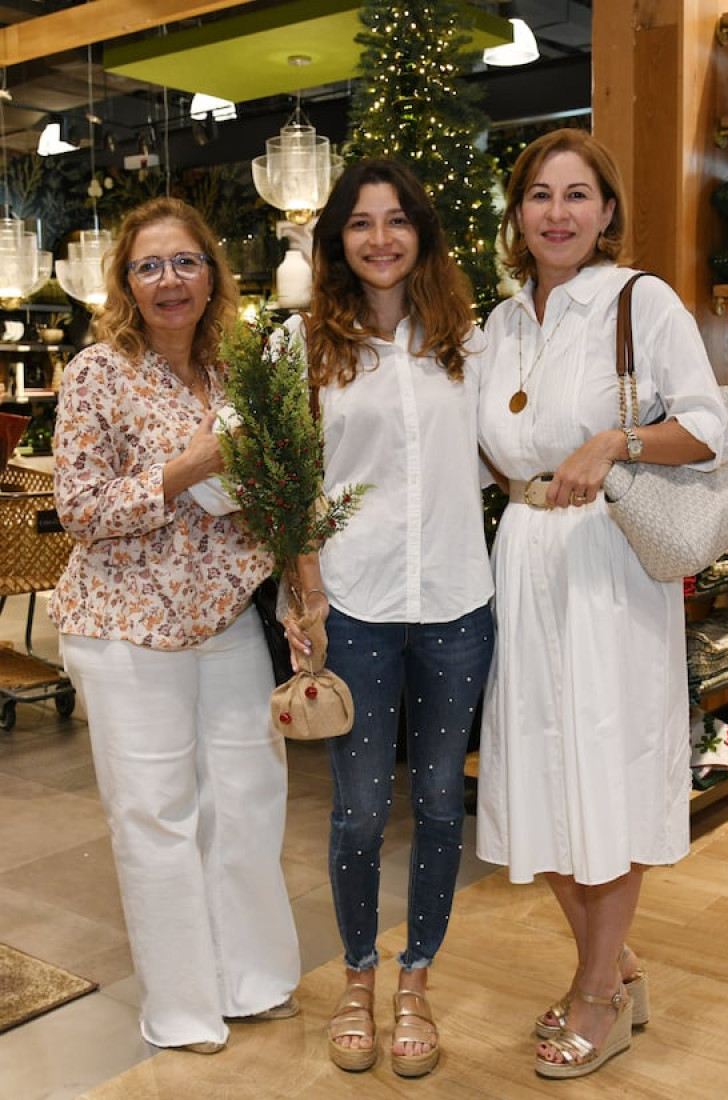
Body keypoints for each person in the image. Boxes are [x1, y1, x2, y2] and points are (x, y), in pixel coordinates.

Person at [475, 128, 728, 1080]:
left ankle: (595, 994)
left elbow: (705, 426)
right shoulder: (499, 326)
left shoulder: (640, 300)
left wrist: (615, 442)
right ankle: (613, 965)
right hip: (525, 555)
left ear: (608, 211)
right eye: (540, 195)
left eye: (577, 195)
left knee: (604, 770)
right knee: (537, 768)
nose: (557, 213)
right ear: (518, 213)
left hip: (609, 560)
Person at [48, 197, 301, 1054]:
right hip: (125, 628)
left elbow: (271, 496)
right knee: (156, 816)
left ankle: (254, 980)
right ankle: (185, 1006)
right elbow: (78, 510)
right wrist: (187, 466)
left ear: (212, 273)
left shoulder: (237, 370)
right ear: (126, 281)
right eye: (149, 266)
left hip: (226, 620)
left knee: (248, 801)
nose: (169, 281)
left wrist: (302, 581)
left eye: (185, 262)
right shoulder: (94, 372)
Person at [283, 158, 494, 1078]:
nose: (380, 238)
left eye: (398, 219)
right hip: (355, 604)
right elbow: (289, 482)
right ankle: (358, 977)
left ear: (423, 234)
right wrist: (304, 591)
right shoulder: (305, 349)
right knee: (362, 811)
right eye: (361, 223)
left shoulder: (469, 342)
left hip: (456, 599)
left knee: (443, 801)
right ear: (337, 239)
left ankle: (418, 979)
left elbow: (501, 456)